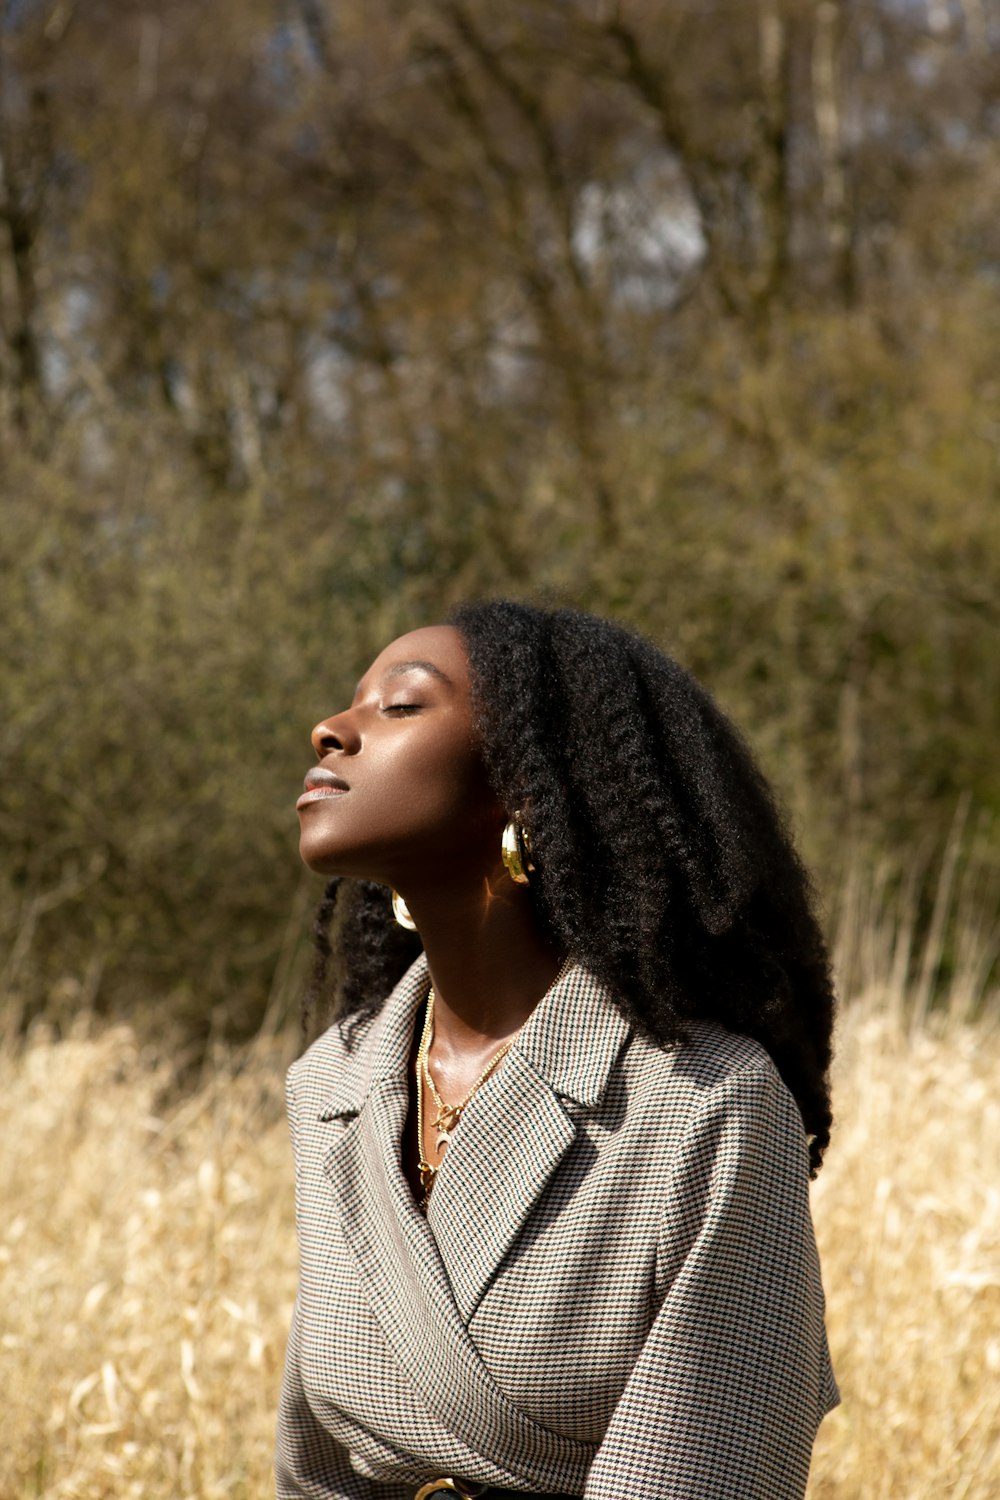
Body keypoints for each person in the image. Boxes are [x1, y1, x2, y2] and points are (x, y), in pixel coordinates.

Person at [275, 600, 839, 1500]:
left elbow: (707, 1469)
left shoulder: (702, 1103)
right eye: (351, 704)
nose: (331, 731)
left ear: (530, 784)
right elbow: (317, 1467)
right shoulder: (335, 1087)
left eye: (401, 705)